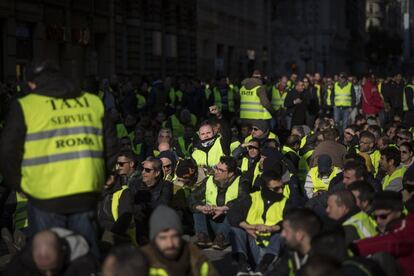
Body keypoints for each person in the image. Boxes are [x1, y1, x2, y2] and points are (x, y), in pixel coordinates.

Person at [0, 60, 118, 257]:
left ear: (31, 84)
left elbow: (7, 152)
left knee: (49, 260)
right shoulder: (92, 102)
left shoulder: (26, 106)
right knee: (84, 259)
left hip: (44, 198)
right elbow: (111, 145)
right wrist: (102, 176)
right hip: (84, 194)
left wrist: (20, 186)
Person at [228, 170, 293, 275]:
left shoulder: (286, 202)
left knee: (281, 234)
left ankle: (263, 267)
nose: (281, 191)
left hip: (273, 250)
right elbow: (233, 213)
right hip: (254, 242)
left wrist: (272, 228)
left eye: (282, 187)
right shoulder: (251, 198)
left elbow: (291, 220)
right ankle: (242, 267)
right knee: (236, 230)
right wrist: (247, 227)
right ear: (265, 188)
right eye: (276, 189)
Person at [190, 156, 249, 250]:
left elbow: (244, 200)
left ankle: (222, 238)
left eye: (220, 170)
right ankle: (203, 237)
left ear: (230, 174)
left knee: (234, 211)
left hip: (229, 225)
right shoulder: (208, 180)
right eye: (216, 168)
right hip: (212, 219)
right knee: (197, 208)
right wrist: (202, 207)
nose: (216, 172)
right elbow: (193, 197)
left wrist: (225, 208)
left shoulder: (241, 182)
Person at [142, 205, 218, 276]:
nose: (170, 244)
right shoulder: (140, 262)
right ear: (154, 239)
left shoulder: (197, 258)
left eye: (174, 236)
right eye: (163, 238)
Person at [5, 228, 99, 276]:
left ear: (62, 252)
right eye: (42, 270)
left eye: (54, 269)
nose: (49, 275)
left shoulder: (84, 263)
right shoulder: (21, 262)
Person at [269, 208, 322, 275]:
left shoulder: (321, 265)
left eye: (286, 231)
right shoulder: (292, 254)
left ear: (299, 235)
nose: (282, 234)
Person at [133, 157, 173, 245]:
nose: (143, 172)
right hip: (139, 225)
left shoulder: (166, 185)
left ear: (157, 173)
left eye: (147, 170)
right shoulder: (135, 184)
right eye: (143, 169)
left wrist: (143, 207)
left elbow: (163, 205)